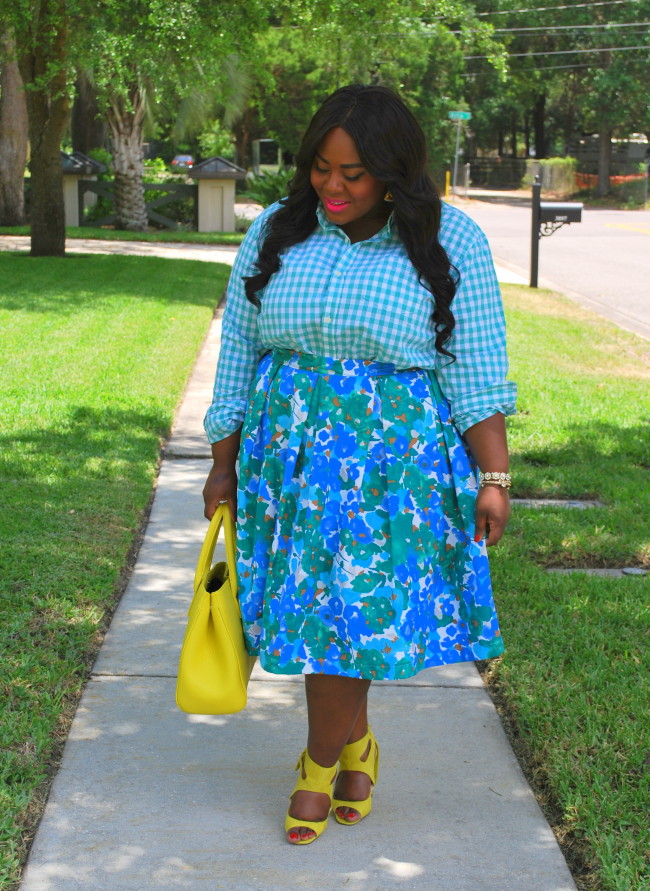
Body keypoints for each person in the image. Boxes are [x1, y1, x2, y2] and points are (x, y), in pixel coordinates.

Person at [202, 84, 516, 846]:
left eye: (353, 173)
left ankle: (315, 763)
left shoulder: (452, 241)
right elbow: (239, 349)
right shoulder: (278, 231)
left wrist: (494, 477)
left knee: (340, 609)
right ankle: (357, 747)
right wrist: (223, 460)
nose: (333, 187)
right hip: (290, 460)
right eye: (321, 168)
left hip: (389, 468)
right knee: (328, 614)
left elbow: (475, 367)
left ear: (394, 172)